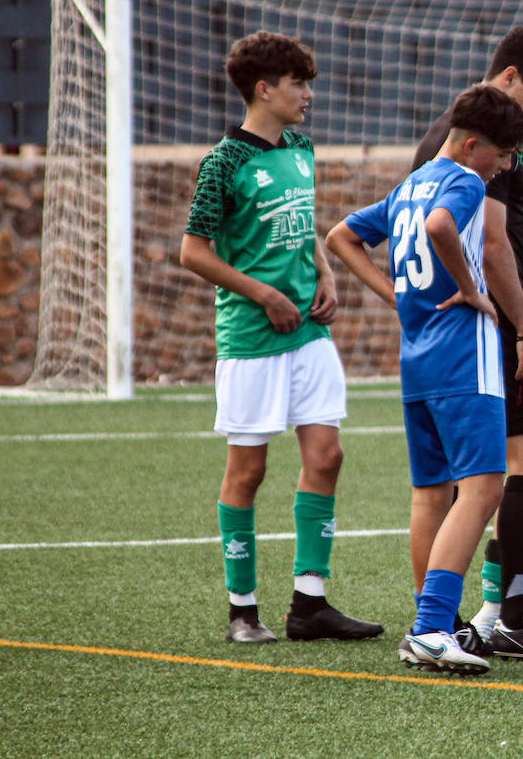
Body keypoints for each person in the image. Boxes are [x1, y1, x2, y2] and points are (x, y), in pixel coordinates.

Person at [326, 85, 523, 674]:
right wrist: (473, 288)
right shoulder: (462, 179)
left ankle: (433, 625)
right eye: (503, 154)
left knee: (432, 492)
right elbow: (440, 228)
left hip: (418, 358)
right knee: (483, 488)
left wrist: (396, 295)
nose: (507, 165)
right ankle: (434, 628)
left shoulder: (410, 183)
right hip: (464, 355)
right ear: (473, 143)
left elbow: (342, 237)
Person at [180, 31, 383, 645]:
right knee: (249, 470)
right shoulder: (225, 162)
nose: (308, 96)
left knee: (327, 455)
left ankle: (310, 604)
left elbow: (304, 222)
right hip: (251, 338)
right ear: (263, 89)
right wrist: (262, 293)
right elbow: (193, 252)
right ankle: (243, 610)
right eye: (298, 84)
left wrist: (325, 272)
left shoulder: (299, 146)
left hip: (310, 333)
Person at [408, 28, 523, 660]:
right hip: (485, 335)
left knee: (441, 488)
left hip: (432, 339)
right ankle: (514, 614)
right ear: (509, 76)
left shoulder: (444, 134)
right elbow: (489, 242)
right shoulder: (485, 148)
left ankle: (438, 622)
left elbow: (368, 233)